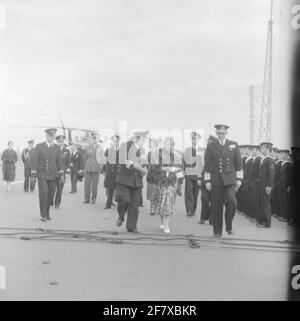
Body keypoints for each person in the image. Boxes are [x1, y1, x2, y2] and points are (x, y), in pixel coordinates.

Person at [204, 124, 243, 237]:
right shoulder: (211, 146)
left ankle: (229, 226)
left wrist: (239, 179)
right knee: (217, 206)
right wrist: (207, 181)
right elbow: (207, 164)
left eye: (223, 133)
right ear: (216, 133)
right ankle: (217, 232)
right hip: (216, 180)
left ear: (227, 133)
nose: (221, 135)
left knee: (232, 202)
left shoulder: (233, 145)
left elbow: (239, 164)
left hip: (230, 180)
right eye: (219, 133)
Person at [115, 130, 148, 233]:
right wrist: (134, 165)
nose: (144, 141)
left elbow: (143, 165)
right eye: (143, 139)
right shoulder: (125, 146)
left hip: (136, 181)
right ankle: (121, 216)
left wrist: (142, 169)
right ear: (136, 138)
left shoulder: (142, 150)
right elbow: (122, 160)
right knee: (125, 200)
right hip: (124, 179)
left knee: (134, 204)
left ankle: (131, 226)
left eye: (145, 139)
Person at [151, 137, 184, 234]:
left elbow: (182, 168)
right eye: (166, 144)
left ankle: (166, 225)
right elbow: (153, 167)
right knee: (161, 203)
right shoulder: (158, 154)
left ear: (173, 145)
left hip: (172, 183)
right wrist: (166, 169)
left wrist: (180, 173)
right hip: (161, 182)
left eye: (170, 144)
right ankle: (162, 221)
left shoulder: (177, 155)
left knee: (168, 203)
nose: (168, 146)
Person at [31, 128, 64, 221]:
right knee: (44, 192)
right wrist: (33, 175)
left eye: (53, 136)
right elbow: (35, 161)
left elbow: (60, 161)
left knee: (50, 194)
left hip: (53, 175)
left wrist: (61, 174)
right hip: (42, 174)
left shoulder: (57, 148)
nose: (51, 138)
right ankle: (43, 215)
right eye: (50, 136)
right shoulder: (39, 146)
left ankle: (47, 212)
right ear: (46, 136)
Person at [183, 131, 204, 217]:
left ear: (198, 139)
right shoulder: (187, 150)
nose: (193, 140)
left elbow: (203, 163)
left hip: (197, 175)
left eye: (195, 138)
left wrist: (201, 174)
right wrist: (184, 171)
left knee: (195, 193)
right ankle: (189, 210)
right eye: (192, 138)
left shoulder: (202, 150)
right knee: (188, 192)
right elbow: (184, 161)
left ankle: (193, 210)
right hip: (189, 174)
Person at [199, 135, 218, 224]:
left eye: (210, 143)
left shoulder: (218, 152)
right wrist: (199, 177)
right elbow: (200, 167)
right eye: (207, 143)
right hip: (205, 177)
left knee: (214, 200)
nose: (208, 144)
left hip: (215, 178)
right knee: (204, 198)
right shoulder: (204, 153)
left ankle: (212, 219)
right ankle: (203, 217)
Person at [256, 142, 276, 228]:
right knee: (261, 203)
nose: (261, 149)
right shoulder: (263, 159)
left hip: (266, 185)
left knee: (265, 204)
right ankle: (262, 221)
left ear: (268, 149)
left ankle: (266, 223)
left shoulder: (270, 159)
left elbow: (272, 174)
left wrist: (269, 186)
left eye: (263, 148)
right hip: (261, 185)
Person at [83, 132, 105, 204]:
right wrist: (87, 154)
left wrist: (100, 166)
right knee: (87, 184)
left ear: (98, 138)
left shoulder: (100, 147)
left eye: (95, 137)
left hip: (96, 167)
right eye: (93, 137)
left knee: (94, 185)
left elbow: (102, 158)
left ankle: (93, 199)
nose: (94, 139)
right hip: (88, 166)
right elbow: (84, 157)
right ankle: (86, 199)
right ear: (91, 138)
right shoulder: (88, 146)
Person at [52, 135, 71, 209]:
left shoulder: (67, 151)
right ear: (56, 142)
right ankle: (50, 201)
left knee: (59, 190)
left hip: (62, 173)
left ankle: (57, 204)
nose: (61, 143)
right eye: (59, 141)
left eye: (62, 141)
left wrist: (68, 172)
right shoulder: (53, 149)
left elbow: (68, 162)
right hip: (53, 173)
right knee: (52, 189)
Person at [103, 135, 120, 209]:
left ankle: (120, 204)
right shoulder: (108, 150)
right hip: (110, 171)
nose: (115, 142)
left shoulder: (122, 151)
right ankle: (108, 204)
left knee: (119, 189)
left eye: (117, 141)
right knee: (110, 188)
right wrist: (104, 170)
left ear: (119, 141)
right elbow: (105, 161)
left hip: (118, 172)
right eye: (114, 141)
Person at [277, 150, 293, 222]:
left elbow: (290, 176)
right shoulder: (283, 163)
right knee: (282, 200)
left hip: (286, 184)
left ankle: (287, 217)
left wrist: (289, 185)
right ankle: (283, 216)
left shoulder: (289, 164)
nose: (281, 155)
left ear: (287, 155)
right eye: (281, 153)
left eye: (283, 154)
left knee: (286, 201)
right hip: (281, 183)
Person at [146, 138, 159, 215]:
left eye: (151, 143)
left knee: (157, 191)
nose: (150, 145)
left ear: (155, 144)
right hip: (150, 174)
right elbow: (147, 164)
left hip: (158, 174)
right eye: (149, 143)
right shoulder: (149, 154)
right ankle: (152, 208)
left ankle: (156, 206)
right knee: (151, 191)